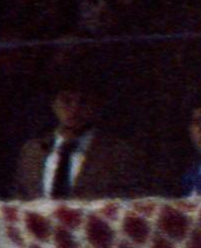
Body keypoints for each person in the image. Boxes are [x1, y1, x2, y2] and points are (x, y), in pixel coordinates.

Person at [11, 83, 151, 200]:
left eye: (83, 102)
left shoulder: (118, 153)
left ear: (95, 106)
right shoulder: (33, 151)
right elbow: (21, 198)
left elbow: (131, 201)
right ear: (54, 105)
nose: (75, 109)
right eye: (66, 101)